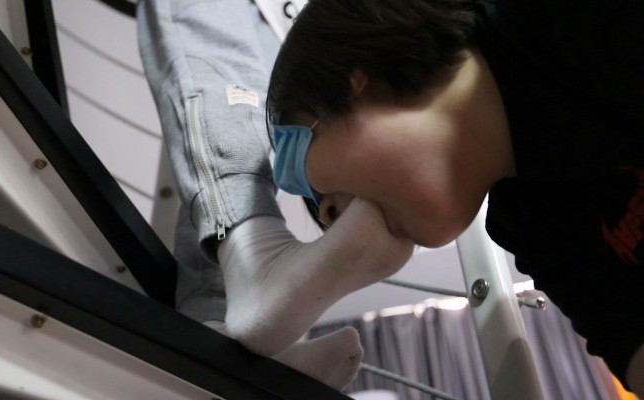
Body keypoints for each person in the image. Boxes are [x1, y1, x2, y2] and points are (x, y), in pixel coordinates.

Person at [266, 0, 644, 394]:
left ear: (353, 80)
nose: (327, 215)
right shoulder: (530, 227)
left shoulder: (567, 19)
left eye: (293, 160)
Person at [136, 0, 413, 390]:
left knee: (260, 133)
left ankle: (217, 327)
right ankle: (251, 271)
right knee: (227, 85)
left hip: (291, 20)